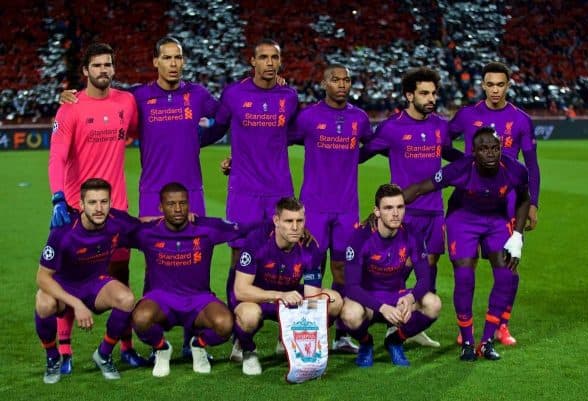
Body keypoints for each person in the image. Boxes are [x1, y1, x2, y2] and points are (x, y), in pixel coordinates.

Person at [60, 36, 221, 358]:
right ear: (155, 62)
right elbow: (108, 104)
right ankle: (154, 336)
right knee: (154, 266)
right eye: (167, 57)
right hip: (152, 194)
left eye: (178, 57)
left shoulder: (198, 94)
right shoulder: (139, 98)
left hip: (192, 193)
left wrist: (198, 138)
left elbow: (226, 119)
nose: (174, 63)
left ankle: (192, 340)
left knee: (196, 266)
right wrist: (71, 97)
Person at [48, 43, 144, 372]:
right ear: (85, 71)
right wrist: (58, 197)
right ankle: (64, 352)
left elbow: (136, 128)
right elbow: (57, 156)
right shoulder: (70, 108)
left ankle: (125, 348)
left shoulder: (126, 102)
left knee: (121, 276)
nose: (104, 70)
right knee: (66, 281)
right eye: (97, 65)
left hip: (116, 210)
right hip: (77, 209)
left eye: (109, 64)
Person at [403, 127, 530, 361]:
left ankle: (487, 341)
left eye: (495, 148)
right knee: (464, 277)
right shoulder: (461, 168)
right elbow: (422, 187)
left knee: (506, 275)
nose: (490, 154)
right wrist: (392, 202)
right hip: (463, 219)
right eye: (484, 149)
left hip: (496, 221)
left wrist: (518, 236)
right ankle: (468, 342)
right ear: (473, 152)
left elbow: (524, 199)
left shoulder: (515, 169)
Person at [360, 67, 462, 348]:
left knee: (429, 268)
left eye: (434, 93)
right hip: (404, 213)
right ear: (409, 95)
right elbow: (361, 155)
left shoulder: (440, 126)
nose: (431, 98)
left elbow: (452, 155)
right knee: (400, 268)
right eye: (424, 93)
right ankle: (379, 317)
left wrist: (477, 163)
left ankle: (414, 325)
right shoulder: (391, 128)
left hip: (434, 212)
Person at [449, 61, 541, 345]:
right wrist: (463, 165)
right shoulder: (467, 115)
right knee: (468, 264)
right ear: (483, 85)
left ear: (508, 86)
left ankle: (502, 324)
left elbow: (532, 166)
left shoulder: (521, 120)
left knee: (508, 268)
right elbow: (442, 142)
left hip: (509, 203)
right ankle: (465, 325)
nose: (495, 90)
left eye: (501, 85)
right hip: (470, 200)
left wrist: (533, 203)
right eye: (490, 84)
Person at [130, 182, 260, 377]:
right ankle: (162, 348)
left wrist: (286, 227)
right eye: (171, 204)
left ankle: (198, 345)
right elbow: (114, 229)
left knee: (225, 324)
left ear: (189, 205)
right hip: (161, 300)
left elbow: (246, 228)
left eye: (182, 203)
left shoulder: (206, 228)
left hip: (199, 300)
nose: (177, 209)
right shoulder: (147, 231)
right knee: (140, 318)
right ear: (160, 207)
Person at [287, 63, 373, 353]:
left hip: (347, 207)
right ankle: (312, 333)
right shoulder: (308, 117)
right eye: (335, 79)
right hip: (314, 206)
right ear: (324, 83)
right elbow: (279, 140)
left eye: (346, 79)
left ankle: (341, 334)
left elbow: (369, 147)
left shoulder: (359, 119)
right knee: (312, 268)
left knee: (343, 270)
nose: (342, 84)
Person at [35, 178, 139, 384]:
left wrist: (185, 220)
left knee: (126, 298)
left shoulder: (118, 222)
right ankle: (53, 357)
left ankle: (103, 354)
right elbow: (42, 277)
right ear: (81, 205)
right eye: (92, 203)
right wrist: (77, 305)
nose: (99, 208)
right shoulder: (62, 231)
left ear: (110, 203)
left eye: (104, 202)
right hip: (63, 285)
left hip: (95, 283)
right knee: (44, 303)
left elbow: (148, 228)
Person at [210, 39, 298, 269]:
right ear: (252, 61)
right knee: (239, 250)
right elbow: (218, 126)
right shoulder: (234, 93)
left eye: (274, 57)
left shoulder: (289, 96)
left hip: (278, 189)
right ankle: (234, 302)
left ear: (280, 62)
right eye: (263, 57)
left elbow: (293, 134)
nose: (269, 62)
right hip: (244, 189)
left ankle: (274, 303)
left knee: (282, 250)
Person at [230, 197, 342, 375]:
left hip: (289, 297)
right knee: (249, 316)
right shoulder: (257, 240)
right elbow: (241, 290)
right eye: (289, 221)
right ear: (276, 221)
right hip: (257, 297)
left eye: (300, 221)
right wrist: (278, 295)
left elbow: (312, 296)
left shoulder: (310, 246)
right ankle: (247, 348)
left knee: (333, 301)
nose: (295, 227)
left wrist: (310, 327)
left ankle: (288, 339)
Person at [341, 184, 442, 367]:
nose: (395, 213)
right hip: (368, 300)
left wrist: (411, 297)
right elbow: (351, 287)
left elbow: (425, 278)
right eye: (388, 208)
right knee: (350, 314)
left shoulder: (412, 234)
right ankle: (366, 343)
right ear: (377, 211)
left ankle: (395, 340)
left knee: (433, 304)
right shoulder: (360, 238)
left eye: (400, 207)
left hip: (397, 296)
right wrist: (382, 308)